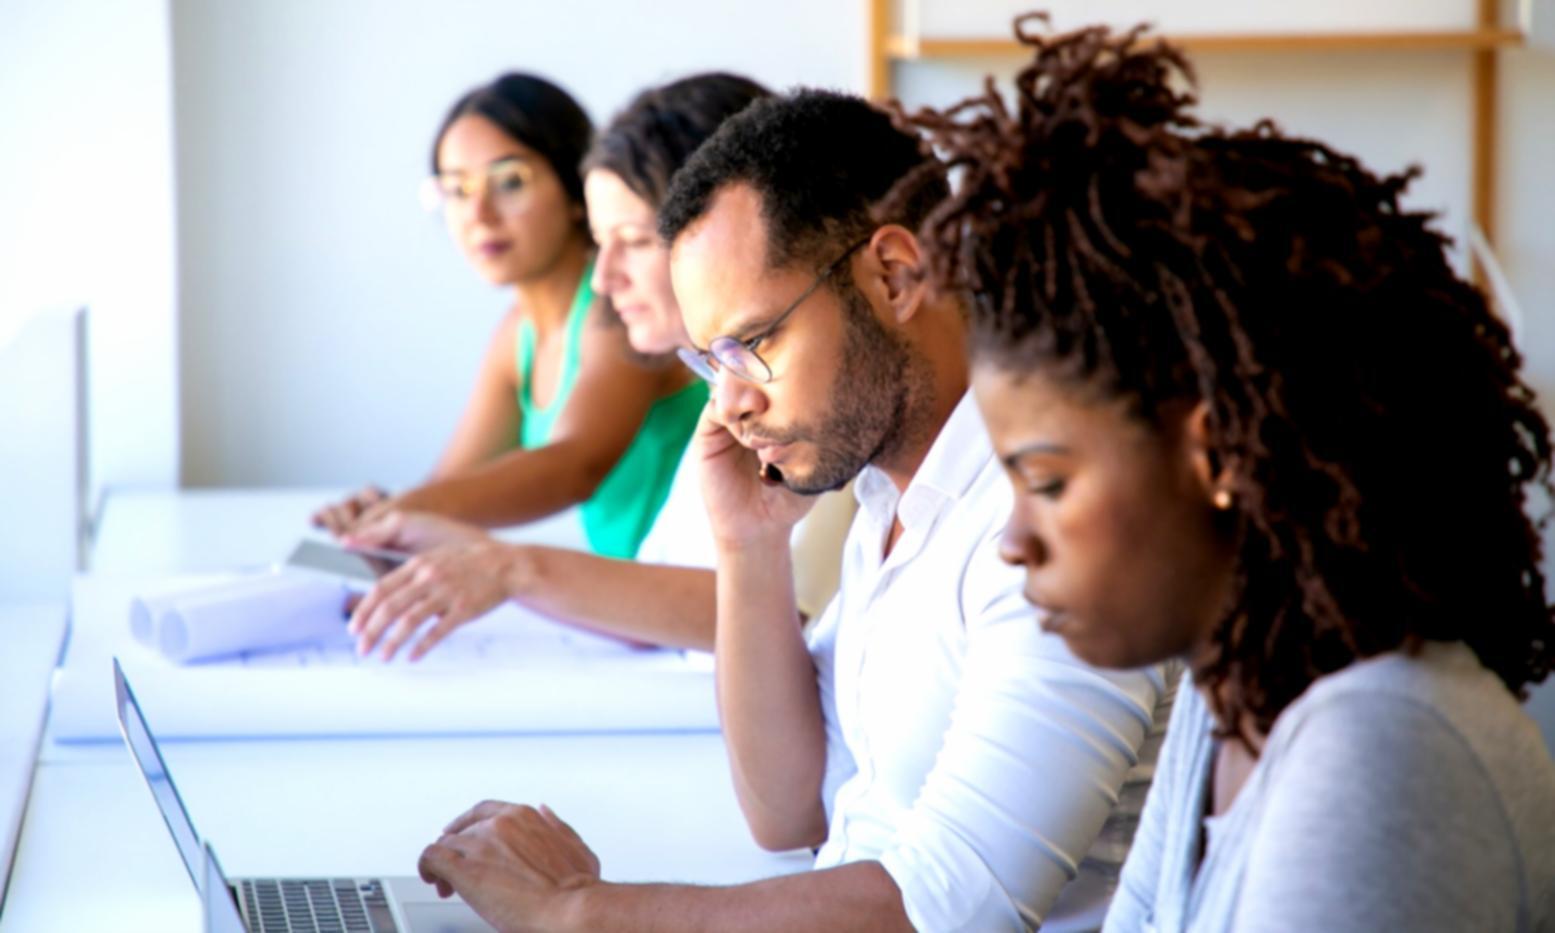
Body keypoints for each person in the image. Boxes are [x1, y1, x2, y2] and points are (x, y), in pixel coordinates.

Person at [411, 89, 1174, 932]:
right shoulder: (886, 493)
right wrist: (747, 544)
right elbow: (788, 812)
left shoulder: (1050, 518)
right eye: (709, 362)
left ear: (894, 275)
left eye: (752, 343)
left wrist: (577, 912)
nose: (729, 403)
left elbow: (954, 906)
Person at [898, 17, 1555, 931]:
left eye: (1045, 482)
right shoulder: (1230, 701)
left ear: (1218, 454)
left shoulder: (1378, 751)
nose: (1012, 541)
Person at [337, 72, 828, 663]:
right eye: (456, 190)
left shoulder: (803, 398)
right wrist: (412, 527)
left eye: (635, 241)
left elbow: (576, 465)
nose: (603, 279)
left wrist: (508, 566)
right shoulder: (719, 395)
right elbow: (672, 591)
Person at [313, 72, 703, 561]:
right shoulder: (518, 333)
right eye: (456, 189)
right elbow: (452, 485)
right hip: (628, 600)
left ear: (574, 188)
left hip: (681, 593)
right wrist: (386, 514)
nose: (479, 213)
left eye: (510, 182)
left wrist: (405, 512)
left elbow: (574, 466)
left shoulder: (623, 306)